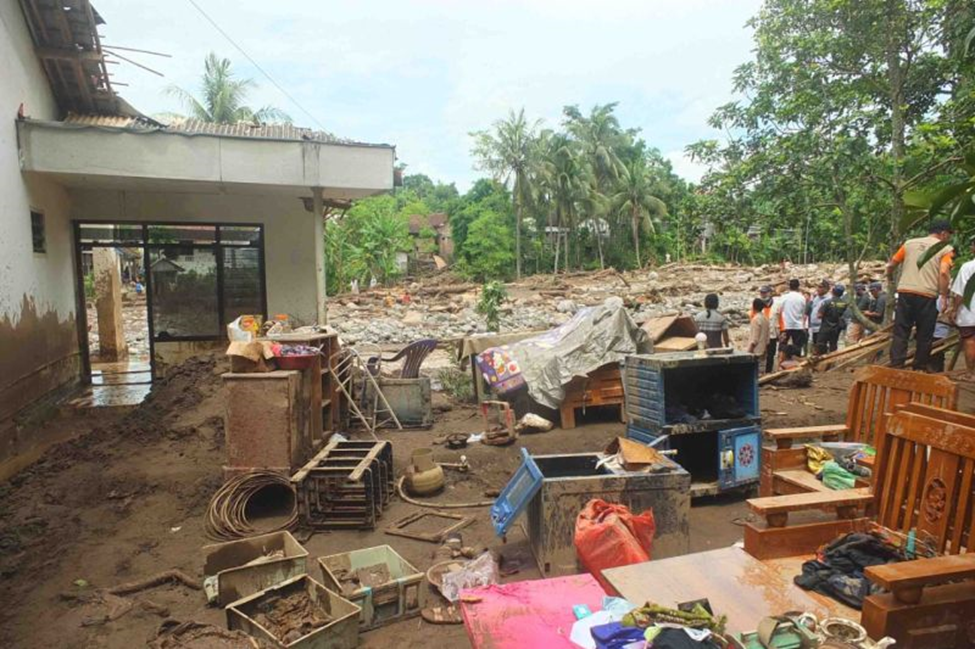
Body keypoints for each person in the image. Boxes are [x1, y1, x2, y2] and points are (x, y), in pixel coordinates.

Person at [887, 220, 954, 369]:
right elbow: (943, 272)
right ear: (943, 233)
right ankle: (919, 366)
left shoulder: (909, 243)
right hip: (927, 295)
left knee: (901, 331)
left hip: (905, 292)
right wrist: (943, 296)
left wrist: (889, 277)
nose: (948, 238)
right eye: (948, 235)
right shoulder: (946, 248)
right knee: (925, 334)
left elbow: (891, 264)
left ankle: (896, 364)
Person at [949, 237, 975, 378]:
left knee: (970, 340)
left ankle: (971, 373)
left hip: (969, 313)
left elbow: (960, 292)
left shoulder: (967, 267)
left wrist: (954, 310)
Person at [778, 279, 807, 362]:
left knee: (782, 345)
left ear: (789, 286)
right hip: (798, 325)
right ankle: (796, 363)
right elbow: (803, 312)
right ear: (798, 287)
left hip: (786, 325)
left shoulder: (784, 297)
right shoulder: (802, 298)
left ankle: (781, 362)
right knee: (797, 347)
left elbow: (780, 310)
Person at [816, 284, 849, 354]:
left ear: (833, 291)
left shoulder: (827, 302)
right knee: (833, 345)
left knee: (821, 344)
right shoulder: (844, 304)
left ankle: (821, 360)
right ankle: (832, 362)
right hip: (836, 328)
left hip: (825, 327)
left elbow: (819, 315)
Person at [807, 279, 831, 355]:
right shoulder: (816, 298)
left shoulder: (829, 299)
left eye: (820, 287)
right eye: (817, 287)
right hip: (813, 328)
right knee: (815, 346)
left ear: (826, 289)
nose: (818, 289)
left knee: (821, 348)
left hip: (822, 327)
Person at [748, 297, 770, 373]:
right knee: (761, 371)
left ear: (753, 307)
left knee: (754, 372)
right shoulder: (765, 319)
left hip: (756, 351)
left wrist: (749, 352)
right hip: (763, 350)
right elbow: (767, 337)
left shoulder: (755, 319)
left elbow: (754, 339)